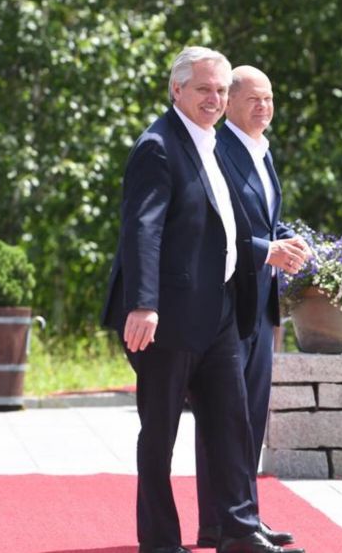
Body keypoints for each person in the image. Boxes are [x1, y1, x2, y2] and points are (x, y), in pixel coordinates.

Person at [102, 47, 305, 553]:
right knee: (160, 434)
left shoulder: (213, 143)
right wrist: (143, 304)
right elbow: (142, 229)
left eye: (219, 90)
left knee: (230, 423)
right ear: (176, 91)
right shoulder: (159, 145)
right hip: (167, 319)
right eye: (203, 90)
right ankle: (160, 540)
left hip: (219, 312)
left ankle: (236, 529)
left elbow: (228, 228)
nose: (214, 99)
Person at [194, 66, 311, 549]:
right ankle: (223, 523)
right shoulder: (219, 151)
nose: (263, 107)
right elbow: (215, 228)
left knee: (250, 415)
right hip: (227, 303)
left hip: (260, 303)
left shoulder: (262, 153)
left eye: (270, 99)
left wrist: (286, 238)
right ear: (230, 102)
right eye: (253, 99)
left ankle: (243, 518)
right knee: (225, 416)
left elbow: (264, 218)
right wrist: (267, 248)